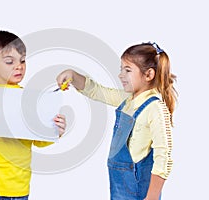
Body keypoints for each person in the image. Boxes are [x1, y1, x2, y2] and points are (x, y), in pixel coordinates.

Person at [56, 42, 177, 200]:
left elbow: (164, 156)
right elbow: (98, 91)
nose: (121, 75)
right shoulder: (128, 100)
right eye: (121, 69)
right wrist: (72, 75)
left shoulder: (155, 108)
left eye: (127, 70)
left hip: (140, 191)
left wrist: (152, 197)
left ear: (148, 75)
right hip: (119, 186)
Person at [0, 30, 66, 200]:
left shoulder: (31, 99)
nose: (19, 66)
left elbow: (37, 141)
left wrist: (55, 131)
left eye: (22, 60)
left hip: (18, 189)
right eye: (9, 62)